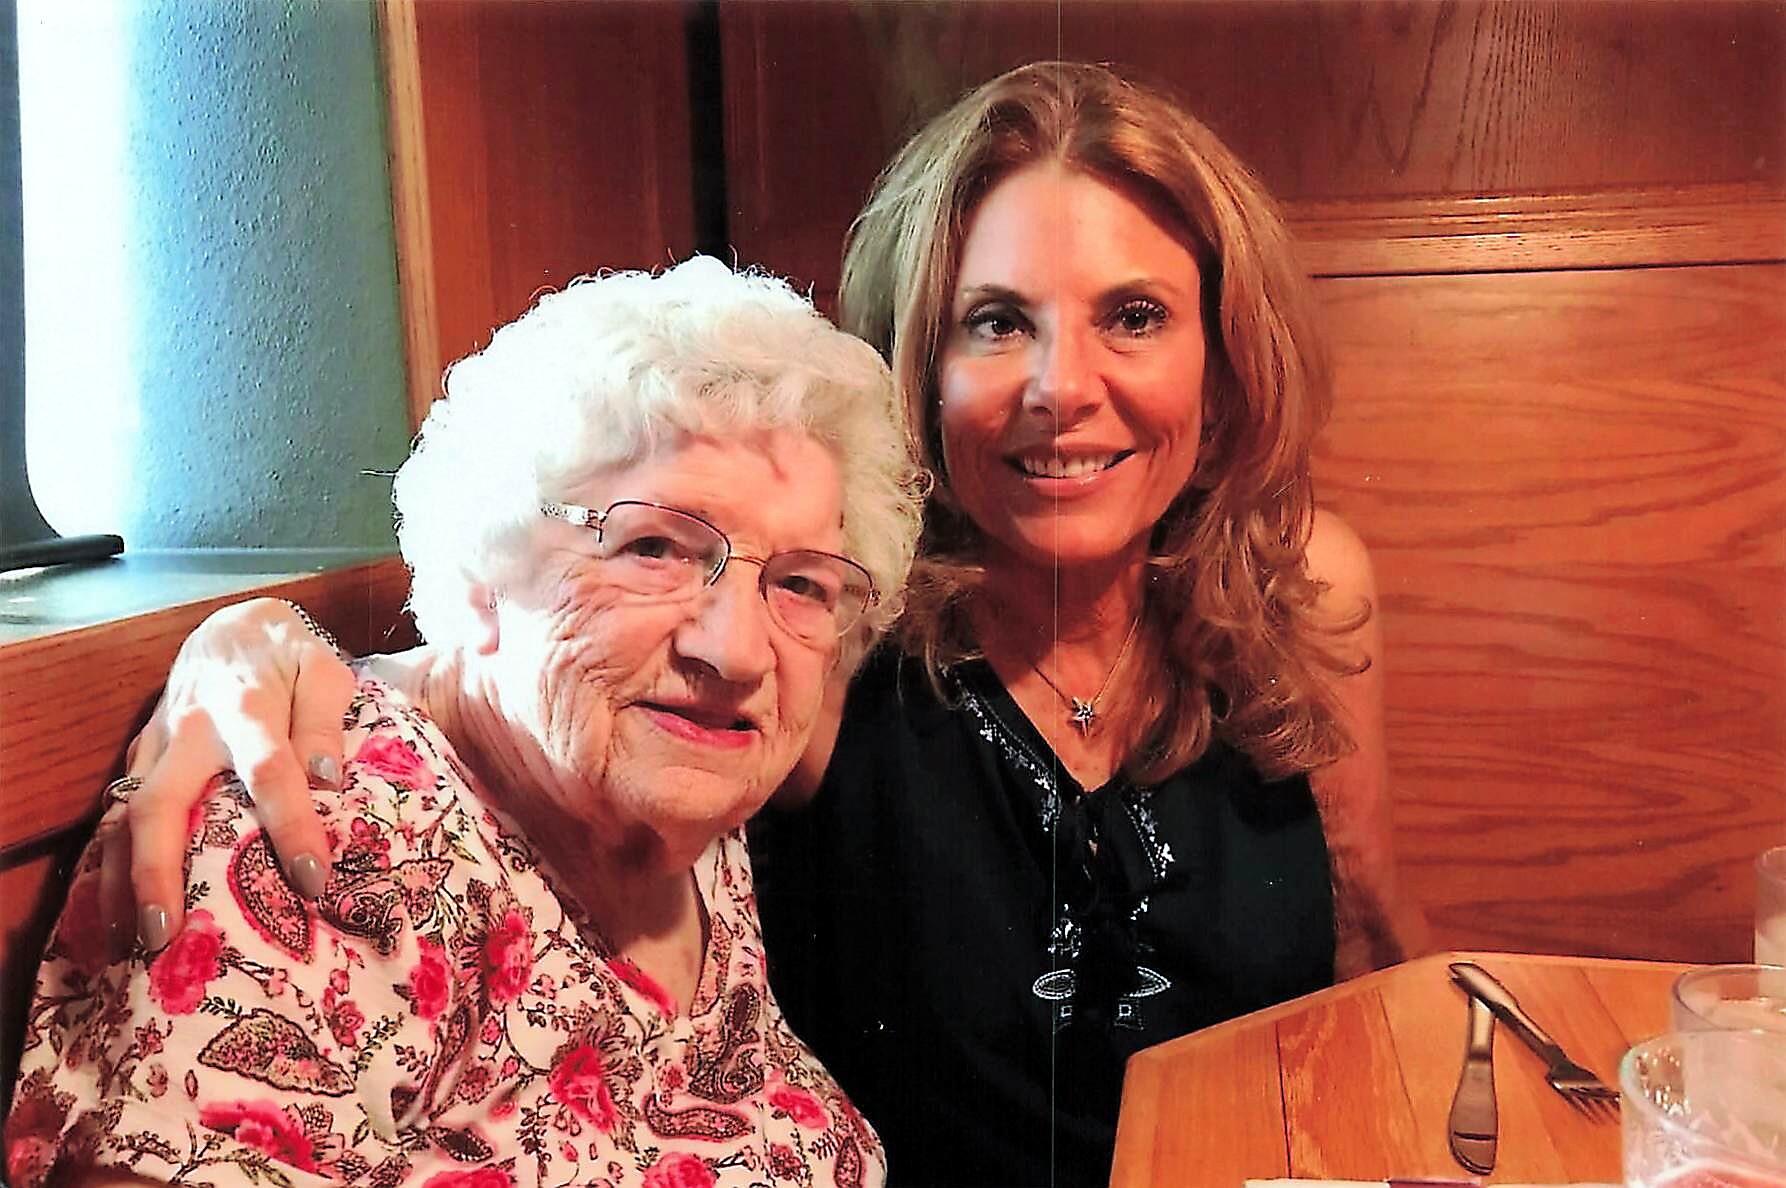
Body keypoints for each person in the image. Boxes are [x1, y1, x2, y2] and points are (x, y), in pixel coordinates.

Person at [77, 63, 1423, 1186]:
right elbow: (519, 669)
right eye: (994, 322)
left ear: (1222, 360)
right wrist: (258, 633)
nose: (1061, 388)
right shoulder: (833, 633)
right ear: (918, 365)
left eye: (1134, 316)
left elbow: (1368, 932)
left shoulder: (1297, 586)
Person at [5, 258, 925, 1188]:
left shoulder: (678, 795)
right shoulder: (313, 838)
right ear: (486, 571)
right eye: (654, 547)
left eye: (800, 583)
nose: (738, 651)